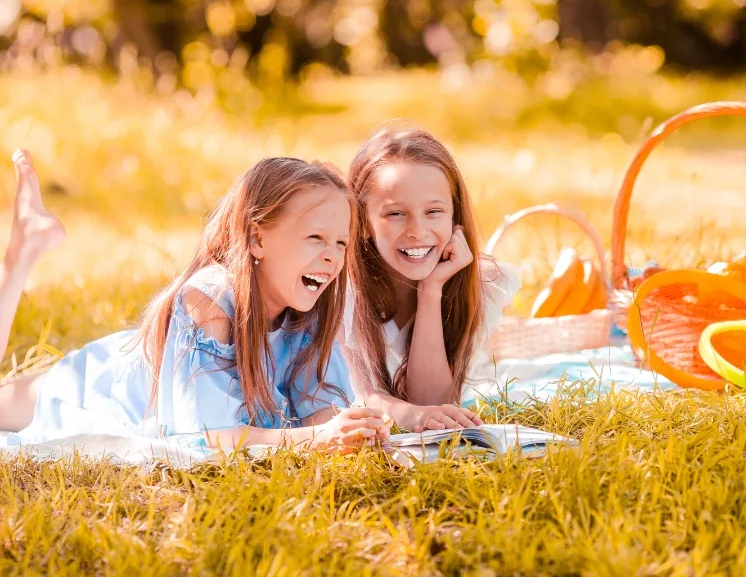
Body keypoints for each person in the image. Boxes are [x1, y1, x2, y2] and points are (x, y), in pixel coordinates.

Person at [0, 150, 388, 454]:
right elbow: (206, 437)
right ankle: (21, 255)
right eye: (315, 238)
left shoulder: (310, 308)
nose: (331, 257)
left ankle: (26, 246)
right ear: (257, 240)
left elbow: (319, 410)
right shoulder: (210, 300)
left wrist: (350, 428)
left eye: (341, 243)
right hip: (95, 387)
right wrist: (317, 439)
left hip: (123, 362)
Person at [341, 128, 520, 432]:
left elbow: (433, 402)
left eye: (434, 211)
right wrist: (412, 416)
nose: (418, 231)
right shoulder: (343, 289)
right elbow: (360, 394)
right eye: (396, 214)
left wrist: (431, 290)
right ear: (363, 223)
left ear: (454, 216)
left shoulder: (483, 284)